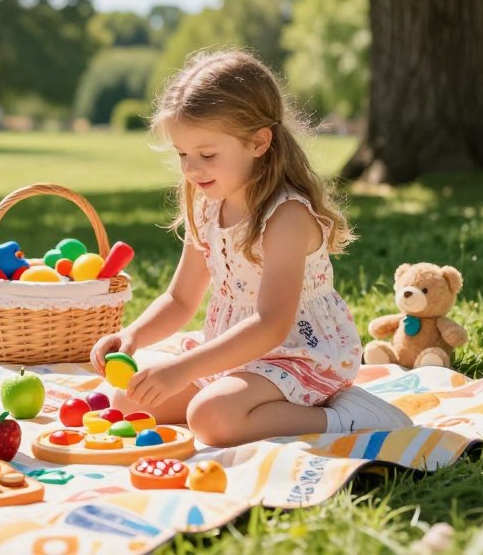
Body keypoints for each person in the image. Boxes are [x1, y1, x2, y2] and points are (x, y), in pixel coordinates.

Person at [90, 50, 409, 446]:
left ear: (258, 142)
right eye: (183, 154)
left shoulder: (285, 216)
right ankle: (242, 400)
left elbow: (271, 324)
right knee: (129, 401)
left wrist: (181, 370)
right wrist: (133, 336)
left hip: (299, 352)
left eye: (207, 155)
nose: (191, 169)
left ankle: (344, 417)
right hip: (234, 354)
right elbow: (179, 299)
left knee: (210, 419)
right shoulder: (207, 206)